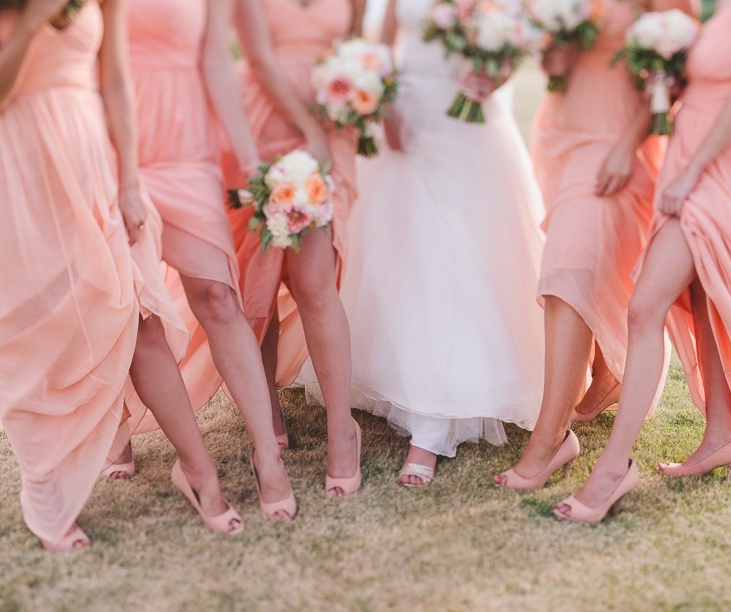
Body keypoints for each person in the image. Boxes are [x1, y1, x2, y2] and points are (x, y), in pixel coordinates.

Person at [0, 0, 238, 549]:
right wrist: (34, 18)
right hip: (14, 164)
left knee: (140, 315)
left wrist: (130, 178)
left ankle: (199, 472)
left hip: (88, 158)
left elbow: (115, 83)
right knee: (45, 332)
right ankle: (46, 484)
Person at [553, 0, 731, 524]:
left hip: (721, 165)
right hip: (688, 154)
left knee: (645, 308)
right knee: (697, 296)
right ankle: (719, 437)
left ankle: (613, 470)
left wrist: (692, 171)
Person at [336, 0, 546, 487]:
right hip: (407, 120)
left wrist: (494, 78)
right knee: (404, 258)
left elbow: (516, 44)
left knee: (454, 260)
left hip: (469, 130)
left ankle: (430, 430)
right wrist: (383, 108)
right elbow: (384, 44)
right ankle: (409, 381)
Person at [494, 0, 698, 492]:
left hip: (617, 143)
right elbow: (555, 59)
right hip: (560, 133)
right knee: (584, 264)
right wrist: (553, 58)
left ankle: (549, 440)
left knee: (570, 269)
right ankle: (605, 374)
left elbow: (677, 76)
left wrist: (628, 145)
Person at [113, 0, 296, 521]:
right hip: (115, 152)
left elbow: (217, 60)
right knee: (134, 312)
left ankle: (267, 454)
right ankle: (186, 463)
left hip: (187, 151)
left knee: (219, 296)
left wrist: (252, 162)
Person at [227, 0, 366, 496]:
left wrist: (354, 99)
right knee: (256, 276)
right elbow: (259, 58)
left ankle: (342, 430)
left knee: (314, 282)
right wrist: (307, 128)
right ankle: (268, 419)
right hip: (263, 119)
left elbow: (355, 48)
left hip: (327, 130)